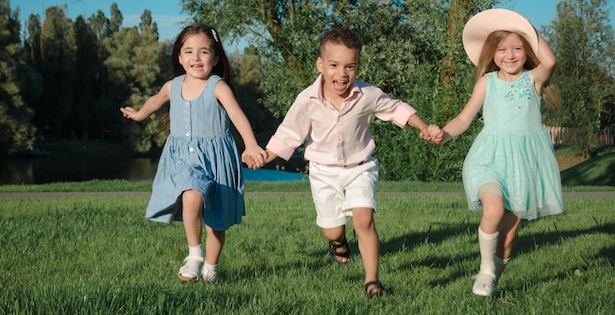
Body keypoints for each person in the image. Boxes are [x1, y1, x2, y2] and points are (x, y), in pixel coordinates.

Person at [252, 26, 438, 298]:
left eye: (349, 66)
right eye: (334, 65)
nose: (342, 73)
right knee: (332, 230)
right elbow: (289, 134)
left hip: (360, 168)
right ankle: (337, 242)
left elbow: (396, 107)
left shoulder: (367, 95)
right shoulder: (307, 100)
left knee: (364, 220)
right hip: (323, 172)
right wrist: (263, 156)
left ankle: (372, 281)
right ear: (320, 65)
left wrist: (422, 126)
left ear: (358, 67)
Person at [428, 9, 564, 297]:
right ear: (492, 53)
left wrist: (530, 28)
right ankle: (486, 270)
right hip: (489, 157)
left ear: (528, 52)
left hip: (525, 163)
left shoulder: (533, 81)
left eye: (517, 48)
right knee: (493, 207)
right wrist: (444, 133)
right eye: (502, 49)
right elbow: (464, 119)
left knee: (509, 235)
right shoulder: (486, 82)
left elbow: (550, 60)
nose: (510, 55)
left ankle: (491, 282)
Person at [120, 24, 267, 283]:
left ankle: (211, 268)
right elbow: (155, 100)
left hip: (217, 159)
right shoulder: (172, 86)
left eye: (203, 52)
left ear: (216, 57)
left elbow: (236, 115)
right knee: (190, 194)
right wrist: (140, 114)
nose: (195, 58)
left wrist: (251, 145)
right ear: (179, 57)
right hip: (184, 159)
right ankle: (194, 254)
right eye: (188, 51)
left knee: (216, 223)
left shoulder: (217, 86)